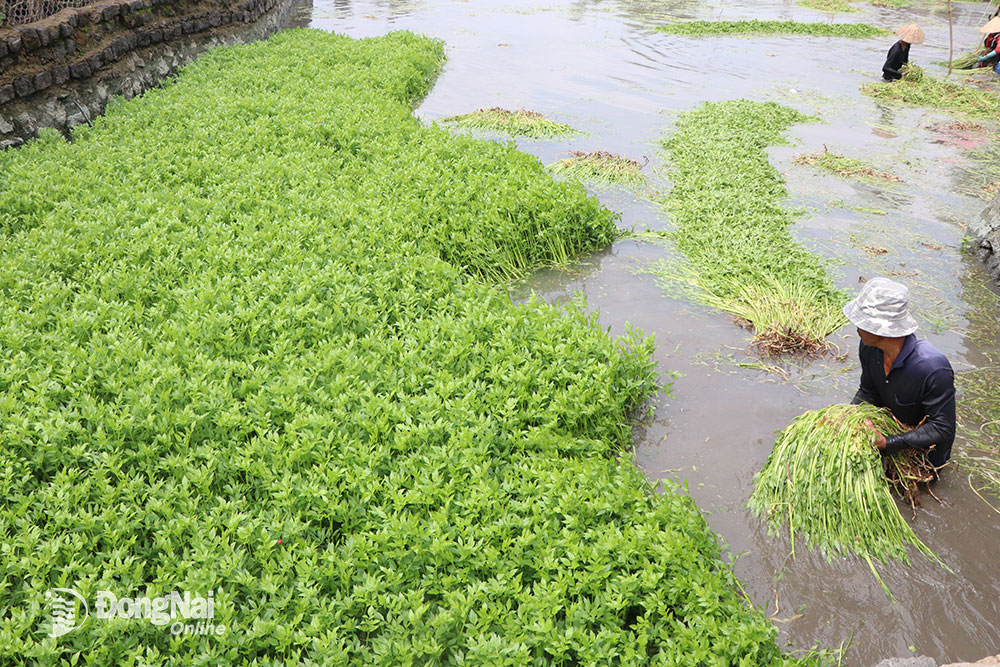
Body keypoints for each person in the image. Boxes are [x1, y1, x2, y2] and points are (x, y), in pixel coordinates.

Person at [843, 277, 956, 470]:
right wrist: (849, 416)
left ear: (882, 328)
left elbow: (942, 428)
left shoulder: (932, 367)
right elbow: (869, 391)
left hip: (924, 458)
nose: (857, 327)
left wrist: (888, 443)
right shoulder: (869, 347)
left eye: (862, 322)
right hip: (889, 434)